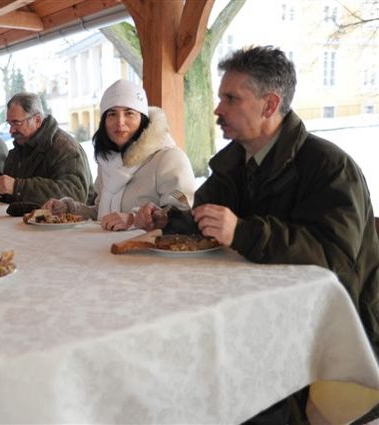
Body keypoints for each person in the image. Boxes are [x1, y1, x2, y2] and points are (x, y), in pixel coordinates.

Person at [136, 45, 379, 422]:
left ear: (270, 105)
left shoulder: (329, 167)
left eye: (231, 99)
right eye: (221, 97)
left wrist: (244, 232)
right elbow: (205, 217)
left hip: (328, 331)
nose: (218, 109)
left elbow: (336, 258)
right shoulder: (235, 162)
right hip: (256, 313)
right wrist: (167, 220)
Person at [43, 79, 195, 231]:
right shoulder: (108, 162)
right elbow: (102, 214)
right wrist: (69, 208)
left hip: (148, 246)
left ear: (142, 118)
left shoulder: (170, 159)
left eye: (129, 113)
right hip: (108, 245)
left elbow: (183, 211)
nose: (120, 122)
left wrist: (134, 220)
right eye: (112, 114)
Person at [0, 92, 93, 208]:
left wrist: (18, 187)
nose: (11, 131)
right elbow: (13, 190)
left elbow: (74, 193)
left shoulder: (65, 148)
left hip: (65, 220)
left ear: (37, 120)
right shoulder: (18, 149)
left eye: (17, 123)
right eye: (10, 124)